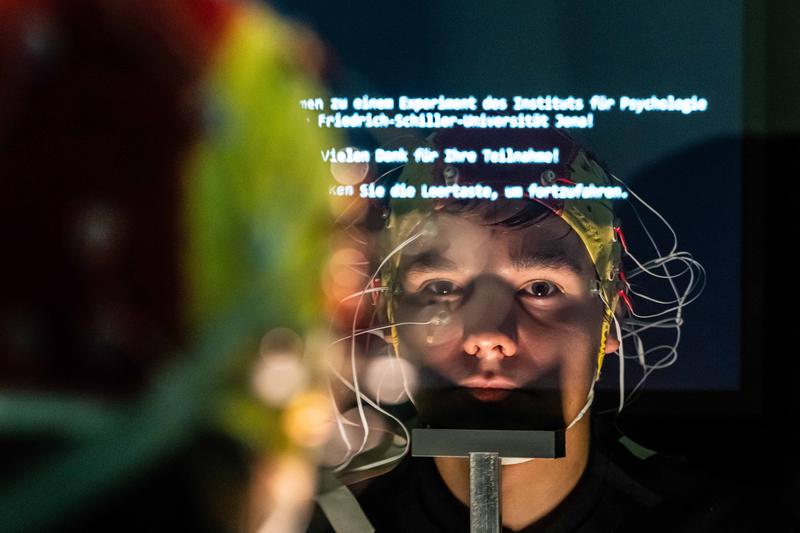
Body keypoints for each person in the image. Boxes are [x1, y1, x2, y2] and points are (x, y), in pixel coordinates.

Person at [307, 127, 770, 532]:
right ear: (387, 317)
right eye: (443, 287)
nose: (488, 335)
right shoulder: (291, 519)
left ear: (612, 313)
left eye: (541, 288)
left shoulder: (710, 521)